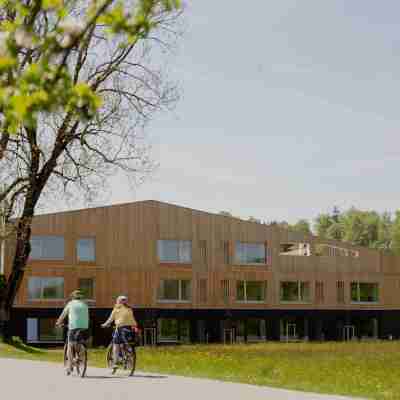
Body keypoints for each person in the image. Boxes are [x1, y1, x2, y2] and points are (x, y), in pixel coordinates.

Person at [56, 290, 89, 375]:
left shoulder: (70, 304)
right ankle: (81, 356)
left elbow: (63, 314)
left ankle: (69, 366)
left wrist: (58, 322)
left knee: (70, 346)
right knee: (80, 343)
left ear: (72, 297)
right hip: (85, 328)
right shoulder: (85, 305)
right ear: (81, 297)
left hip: (73, 327)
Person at [101, 295, 138, 371]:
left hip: (120, 328)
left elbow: (110, 319)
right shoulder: (129, 309)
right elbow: (132, 320)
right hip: (130, 329)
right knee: (126, 342)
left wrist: (105, 324)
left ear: (118, 301)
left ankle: (115, 363)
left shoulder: (117, 309)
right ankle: (129, 355)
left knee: (116, 345)